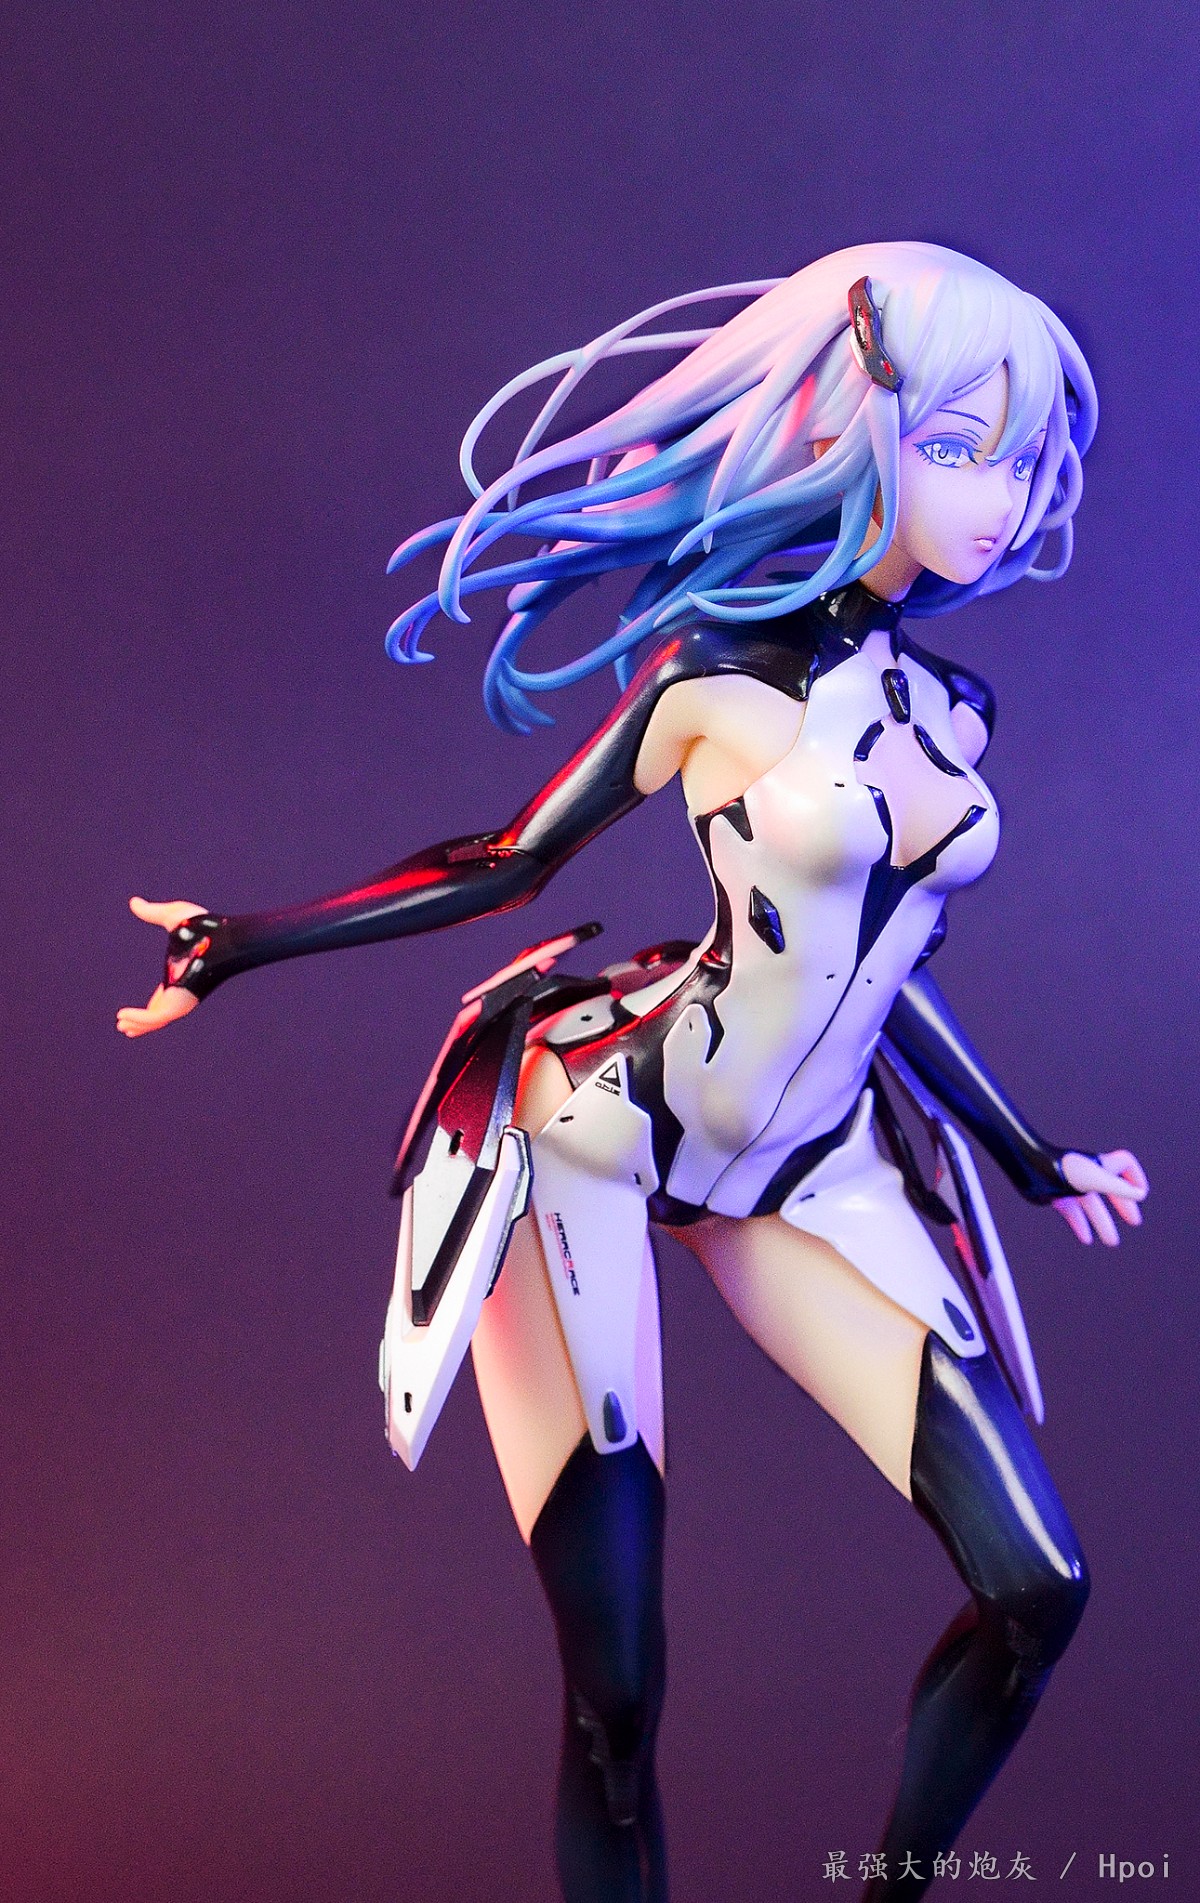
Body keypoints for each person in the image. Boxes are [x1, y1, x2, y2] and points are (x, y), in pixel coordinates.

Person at [118, 243, 1147, 1902]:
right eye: (965, 445)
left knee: (1037, 1589)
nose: (1006, 498)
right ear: (857, 426)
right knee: (618, 1699)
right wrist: (239, 943)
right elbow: (508, 861)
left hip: (811, 1168)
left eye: (1027, 462)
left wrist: (1036, 1158)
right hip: (598, 1135)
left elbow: (885, 973)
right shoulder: (714, 679)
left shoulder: (956, 710)